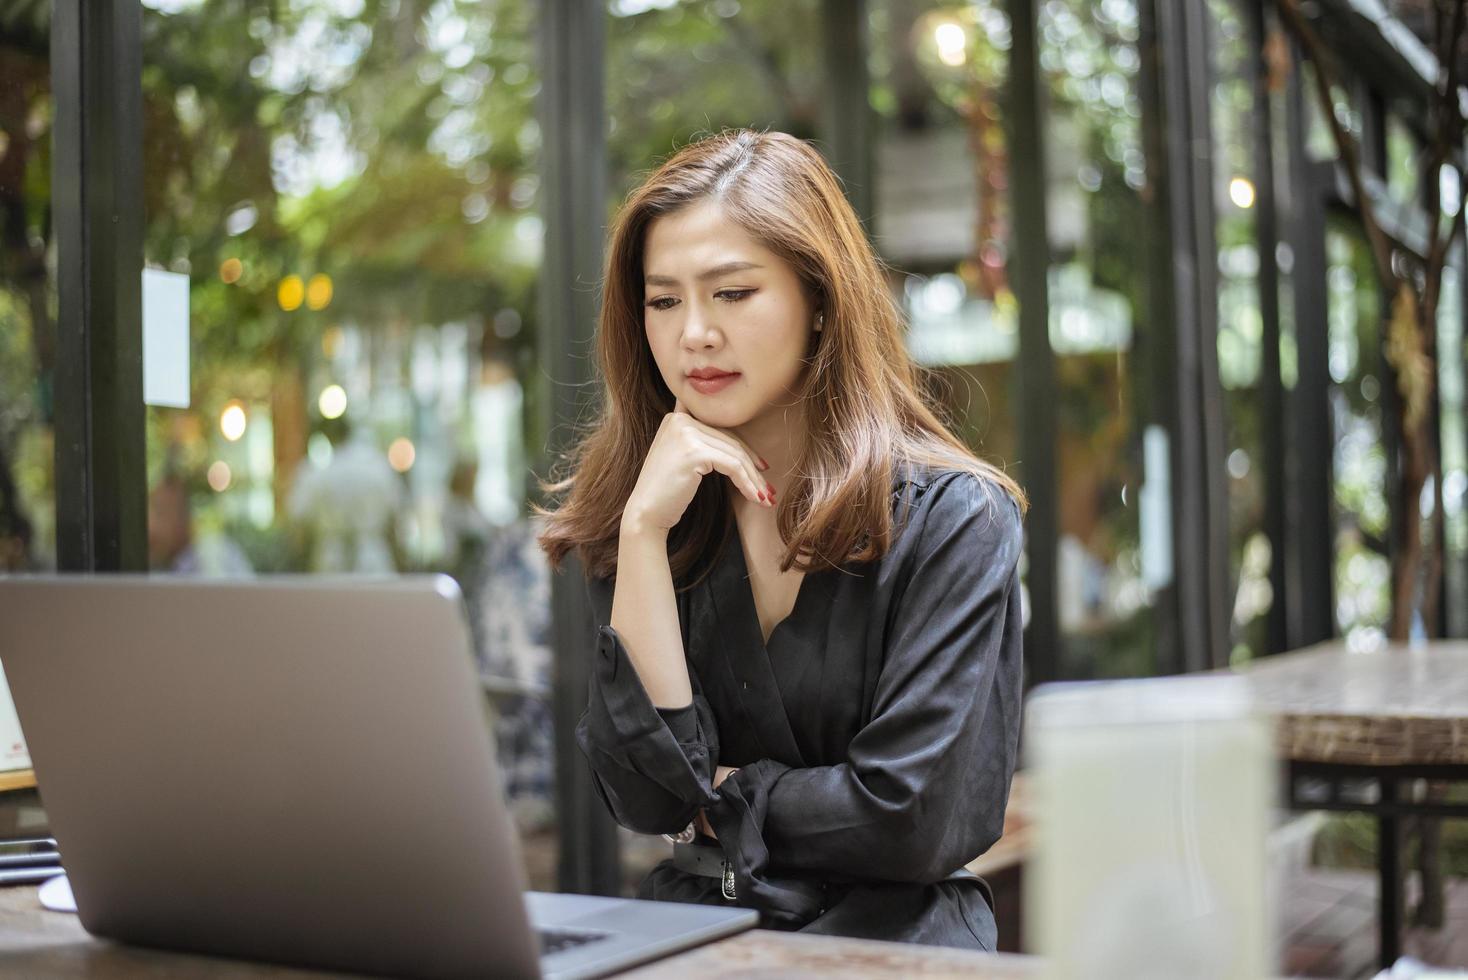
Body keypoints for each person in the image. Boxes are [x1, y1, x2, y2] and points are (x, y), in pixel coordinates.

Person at [537, 129, 1027, 950]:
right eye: (663, 301)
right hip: (690, 942)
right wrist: (646, 533)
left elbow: (911, 817)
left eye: (732, 293)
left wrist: (719, 799)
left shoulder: (955, 520)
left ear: (821, 300)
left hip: (893, 952)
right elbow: (648, 796)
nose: (694, 333)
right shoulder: (651, 515)